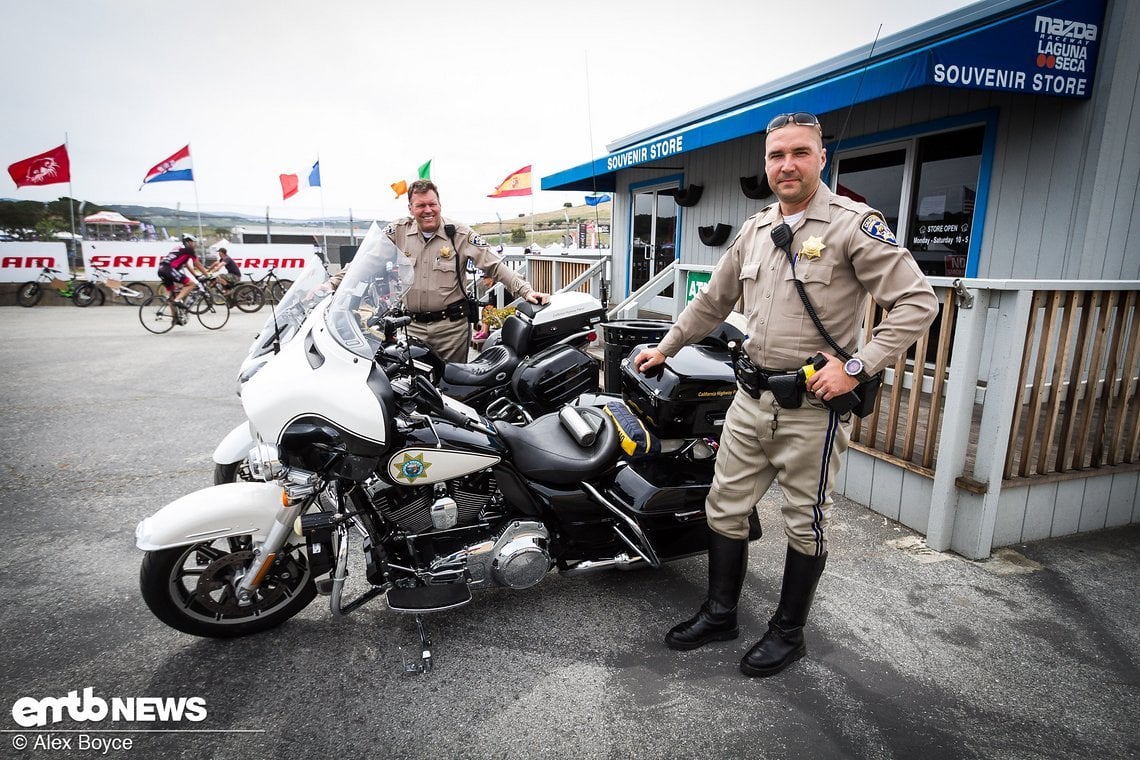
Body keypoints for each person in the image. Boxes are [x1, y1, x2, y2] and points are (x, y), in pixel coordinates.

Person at [633, 112, 939, 678]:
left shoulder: (852, 225)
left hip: (813, 409)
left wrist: (857, 365)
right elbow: (712, 302)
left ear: (821, 158)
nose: (787, 165)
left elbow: (918, 304)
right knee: (723, 507)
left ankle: (787, 633)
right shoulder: (754, 230)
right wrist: (668, 345)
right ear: (766, 164)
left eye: (800, 153)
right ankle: (721, 613)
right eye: (777, 155)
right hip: (749, 400)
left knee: (806, 521)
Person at [385, 180, 549, 363]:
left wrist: (526, 290)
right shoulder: (398, 231)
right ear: (410, 208)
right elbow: (368, 258)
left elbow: (494, 265)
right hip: (412, 327)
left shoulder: (459, 234)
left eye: (432, 204)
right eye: (420, 205)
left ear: (440, 205)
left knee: (452, 386)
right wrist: (346, 286)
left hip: (450, 331)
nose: (428, 210)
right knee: (412, 386)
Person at [157, 234, 211, 324]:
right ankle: (178, 301)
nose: (194, 244)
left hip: (161, 269)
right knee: (191, 284)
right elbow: (198, 264)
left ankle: (175, 319)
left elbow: (186, 264)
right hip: (169, 269)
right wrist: (208, 275)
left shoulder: (179, 248)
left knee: (172, 295)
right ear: (188, 242)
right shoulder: (189, 249)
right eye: (193, 242)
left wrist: (196, 275)